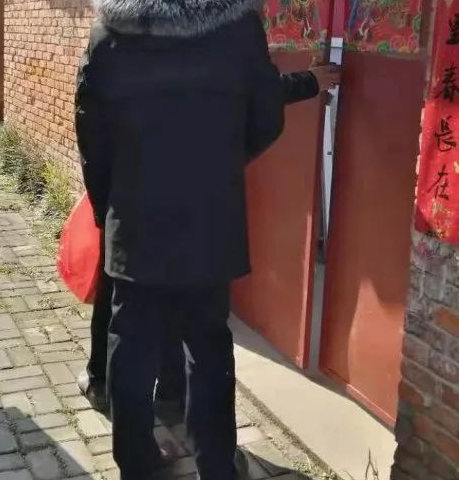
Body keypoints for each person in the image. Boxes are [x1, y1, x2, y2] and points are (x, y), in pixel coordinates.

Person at [75, 0, 338, 480]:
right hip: (208, 214)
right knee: (208, 347)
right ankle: (219, 478)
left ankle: (137, 469)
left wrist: (105, 202)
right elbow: (261, 110)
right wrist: (220, 161)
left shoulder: (110, 25)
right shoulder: (234, 22)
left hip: (133, 214)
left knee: (130, 344)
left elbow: (90, 123)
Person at [77, 66, 339, 413]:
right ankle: (166, 396)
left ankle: (111, 385)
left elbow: (91, 124)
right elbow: (247, 92)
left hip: (129, 197)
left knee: (124, 294)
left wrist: (103, 207)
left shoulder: (114, 50)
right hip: (180, 193)